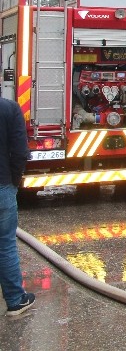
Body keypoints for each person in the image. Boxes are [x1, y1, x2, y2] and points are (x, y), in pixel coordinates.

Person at [1, 98, 34, 317]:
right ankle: (15, 301)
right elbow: (21, 152)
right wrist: (13, 180)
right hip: (2, 186)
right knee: (5, 245)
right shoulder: (8, 108)